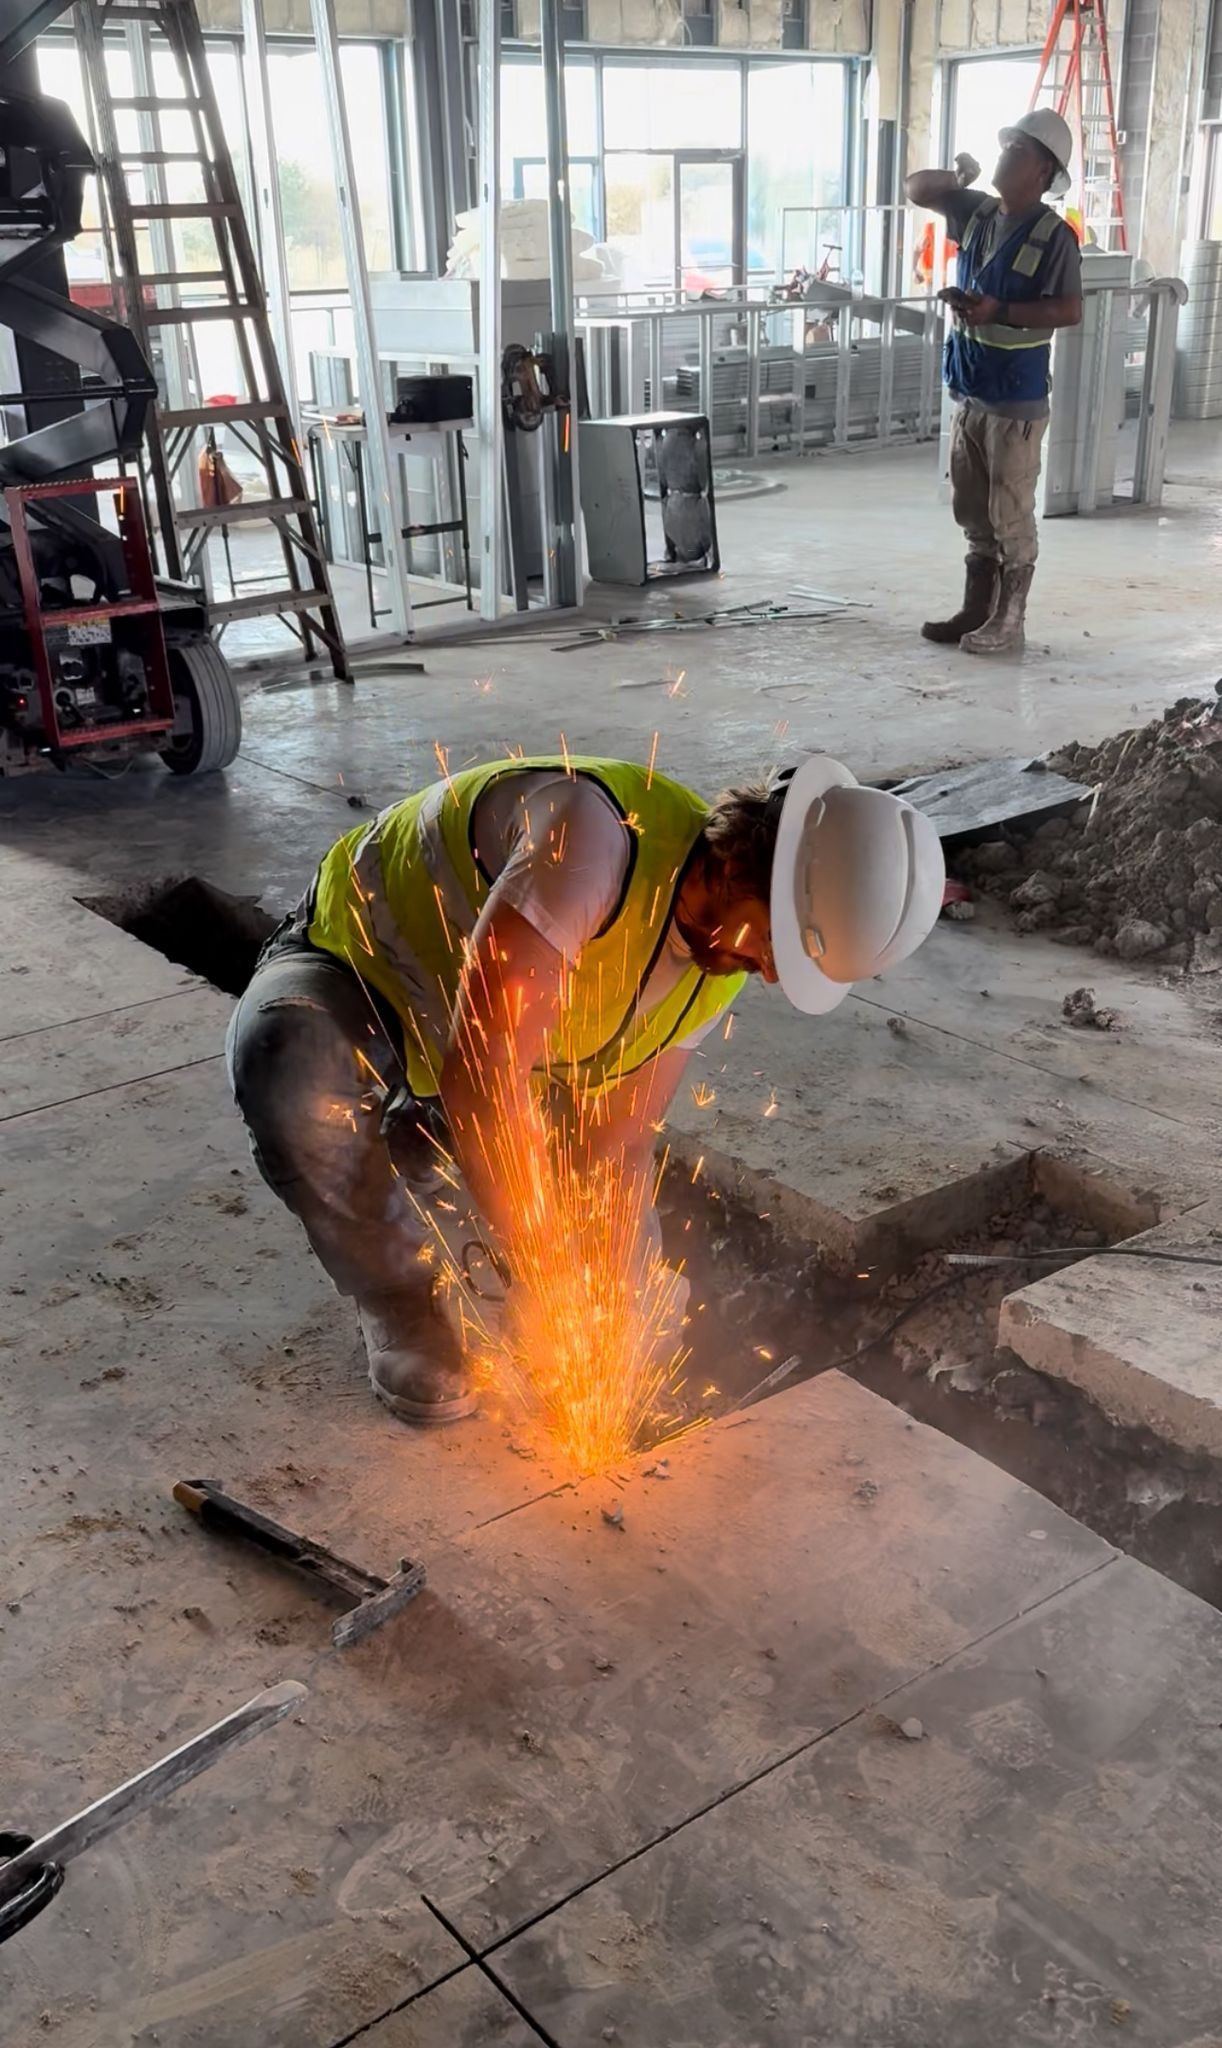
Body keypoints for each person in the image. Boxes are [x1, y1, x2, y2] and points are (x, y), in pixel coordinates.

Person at [226, 752, 945, 1423]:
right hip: (357, 969)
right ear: (746, 866)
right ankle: (395, 1300)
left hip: (470, 1046)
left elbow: (617, 1145)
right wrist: (543, 1271)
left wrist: (614, 1299)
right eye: (777, 946)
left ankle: (418, 1136)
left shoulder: (717, 965)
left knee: (615, 1285)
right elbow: (482, 1080)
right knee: (295, 1074)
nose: (769, 973)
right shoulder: (592, 843)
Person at [907, 110, 1083, 655]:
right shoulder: (979, 213)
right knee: (974, 509)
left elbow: (1069, 309)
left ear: (1043, 170)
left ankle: (1010, 621)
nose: (1005, 156)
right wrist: (958, 180)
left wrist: (999, 309)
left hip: (1016, 401)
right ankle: (975, 610)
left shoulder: (1056, 236)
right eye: (1005, 146)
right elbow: (917, 189)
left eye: (1017, 151)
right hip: (972, 389)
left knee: (1009, 514)